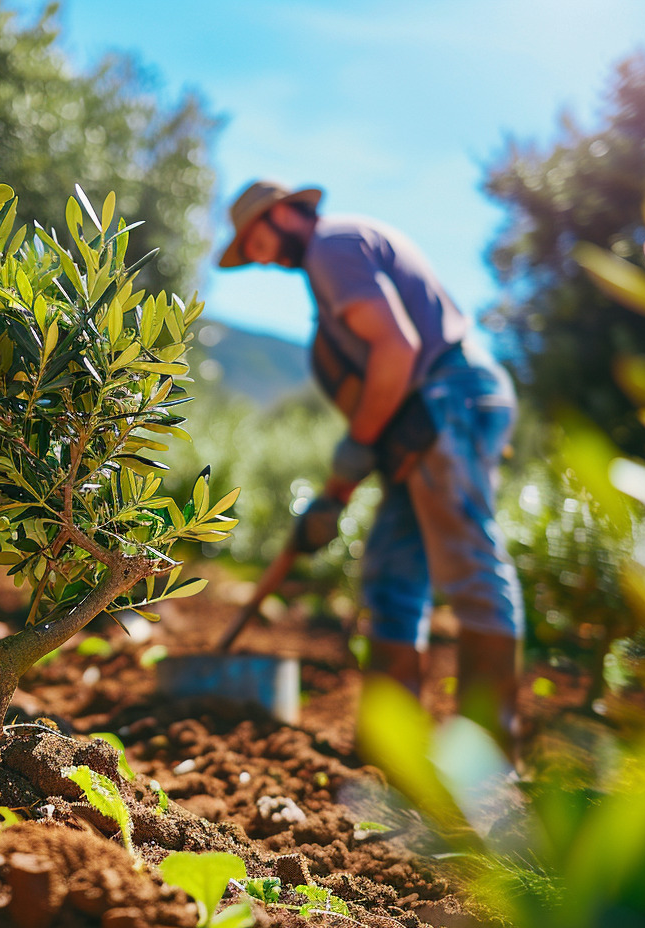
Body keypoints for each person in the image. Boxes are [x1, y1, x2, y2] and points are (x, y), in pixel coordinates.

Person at [218, 180, 525, 753]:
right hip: (425, 414)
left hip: (449, 399)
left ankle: (491, 755)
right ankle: (390, 748)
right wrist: (339, 490)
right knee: (390, 573)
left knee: (470, 566)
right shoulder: (332, 261)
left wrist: (350, 458)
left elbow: (397, 350)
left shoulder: (332, 245)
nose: (256, 255)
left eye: (254, 237)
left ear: (286, 213)